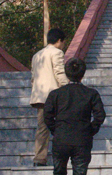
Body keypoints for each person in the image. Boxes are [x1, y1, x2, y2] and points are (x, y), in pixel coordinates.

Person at [44, 57, 106, 175]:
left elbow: (47, 115)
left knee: (59, 171)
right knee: (80, 172)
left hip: (61, 138)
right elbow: (100, 115)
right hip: (82, 138)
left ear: (66, 73)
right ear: (83, 74)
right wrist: (90, 130)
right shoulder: (91, 93)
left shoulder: (55, 94)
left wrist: (55, 129)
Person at [30, 28, 69, 166]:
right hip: (54, 96)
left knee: (42, 128)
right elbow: (59, 73)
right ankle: (61, 156)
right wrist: (68, 88)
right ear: (59, 41)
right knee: (61, 125)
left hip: (40, 97)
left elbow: (33, 77)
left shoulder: (37, 55)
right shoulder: (57, 53)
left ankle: (39, 158)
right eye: (63, 42)